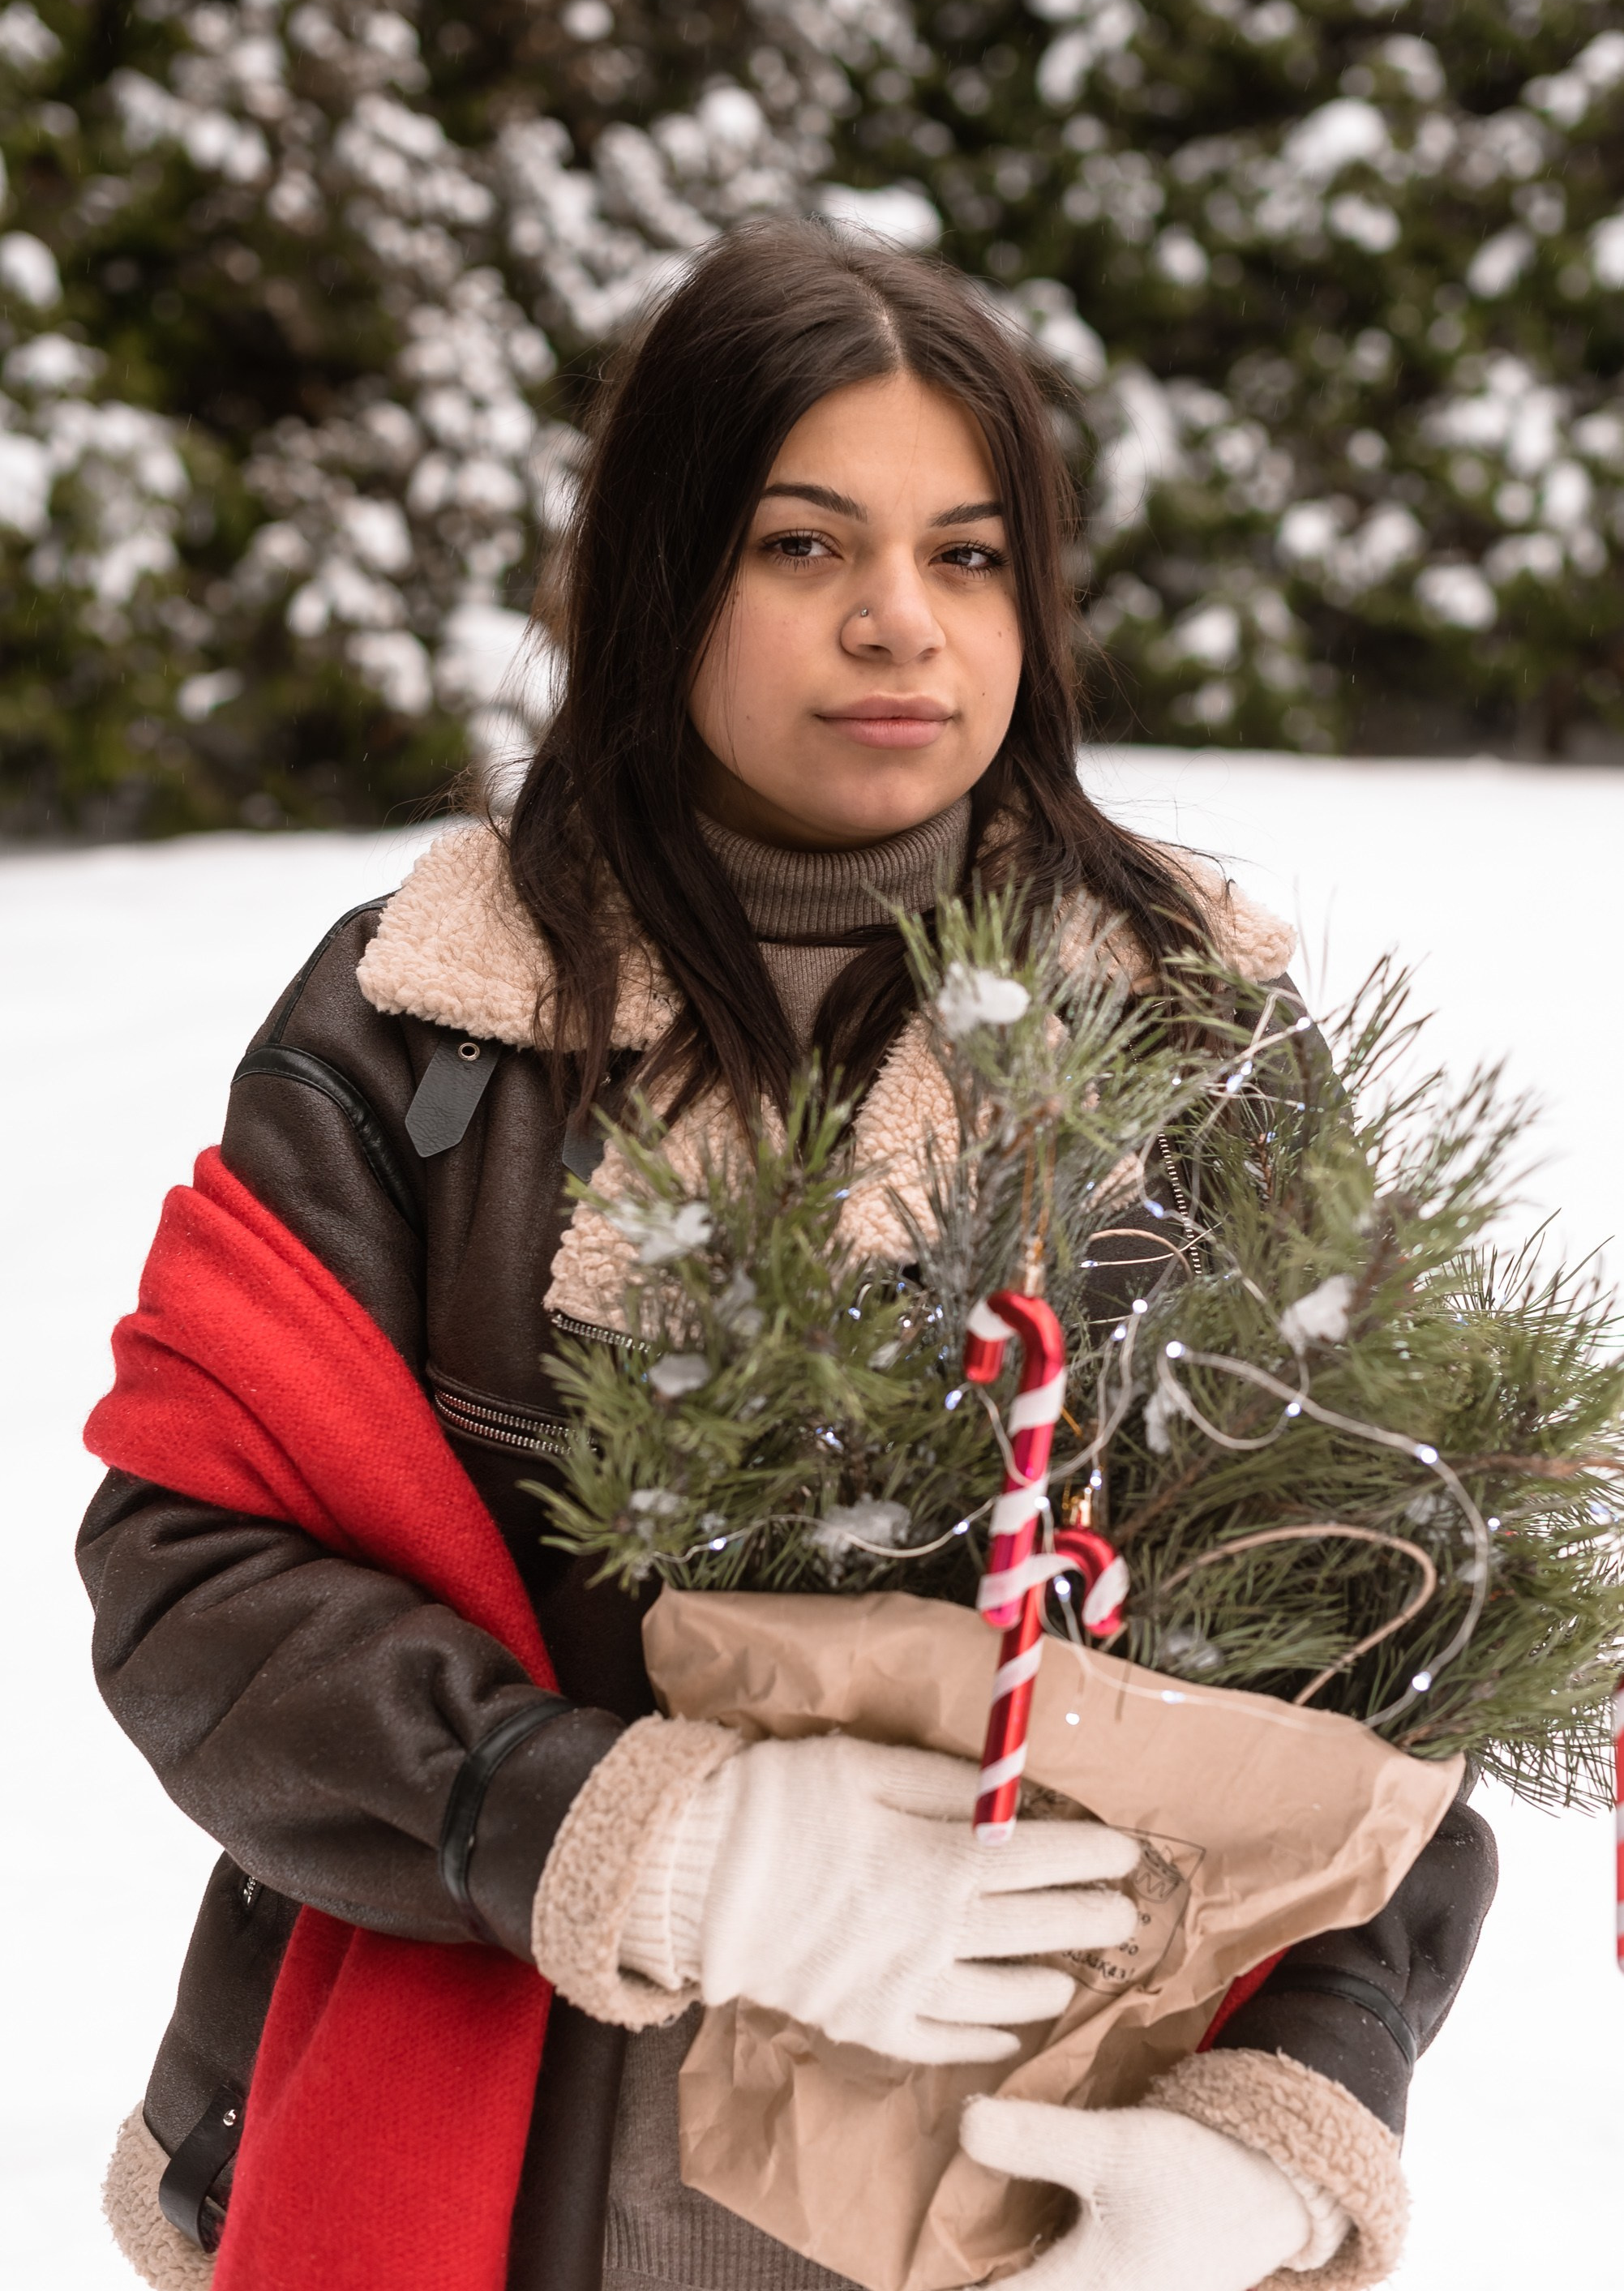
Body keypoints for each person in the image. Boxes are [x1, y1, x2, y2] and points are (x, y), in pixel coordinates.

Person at [80, 221, 1494, 2291]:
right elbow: (193, 1577)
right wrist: (643, 1841)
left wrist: (1277, 2126)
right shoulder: (424, 1026)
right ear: (664, 576)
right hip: (513, 2194)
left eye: (969, 554)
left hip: (1022, 2196)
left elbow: (1399, 1651)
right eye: (804, 545)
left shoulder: (1197, 1044)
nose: (899, 621)